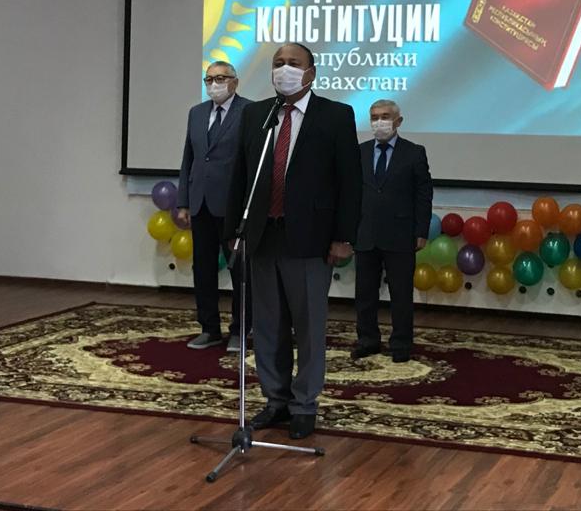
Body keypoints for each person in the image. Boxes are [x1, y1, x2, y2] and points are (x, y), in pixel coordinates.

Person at [224, 43, 361, 439]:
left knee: (308, 326)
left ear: (311, 73)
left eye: (294, 63)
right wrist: (233, 231)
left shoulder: (335, 116)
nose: (285, 69)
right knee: (268, 325)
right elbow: (240, 176)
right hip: (263, 236)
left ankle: (304, 404)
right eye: (278, 63)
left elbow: (350, 181)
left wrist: (343, 237)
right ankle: (276, 399)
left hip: (310, 239)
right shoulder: (256, 114)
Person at [176, 62, 252, 352]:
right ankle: (209, 328)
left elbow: (253, 161)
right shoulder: (196, 113)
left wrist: (248, 207)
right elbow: (190, 158)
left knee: (240, 272)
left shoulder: (249, 111)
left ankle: (240, 330)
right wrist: (184, 201)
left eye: (220, 78)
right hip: (201, 203)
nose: (214, 84)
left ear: (235, 82)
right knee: (203, 269)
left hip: (233, 206)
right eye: (209, 79)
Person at [352, 99, 433, 363]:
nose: (379, 122)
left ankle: (401, 343)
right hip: (366, 232)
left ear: (398, 121)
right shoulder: (360, 151)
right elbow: (351, 193)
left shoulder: (414, 152)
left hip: (401, 234)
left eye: (385, 116)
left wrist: (421, 231)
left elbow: (423, 195)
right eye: (374, 117)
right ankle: (367, 339)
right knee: (364, 293)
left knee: (401, 294)